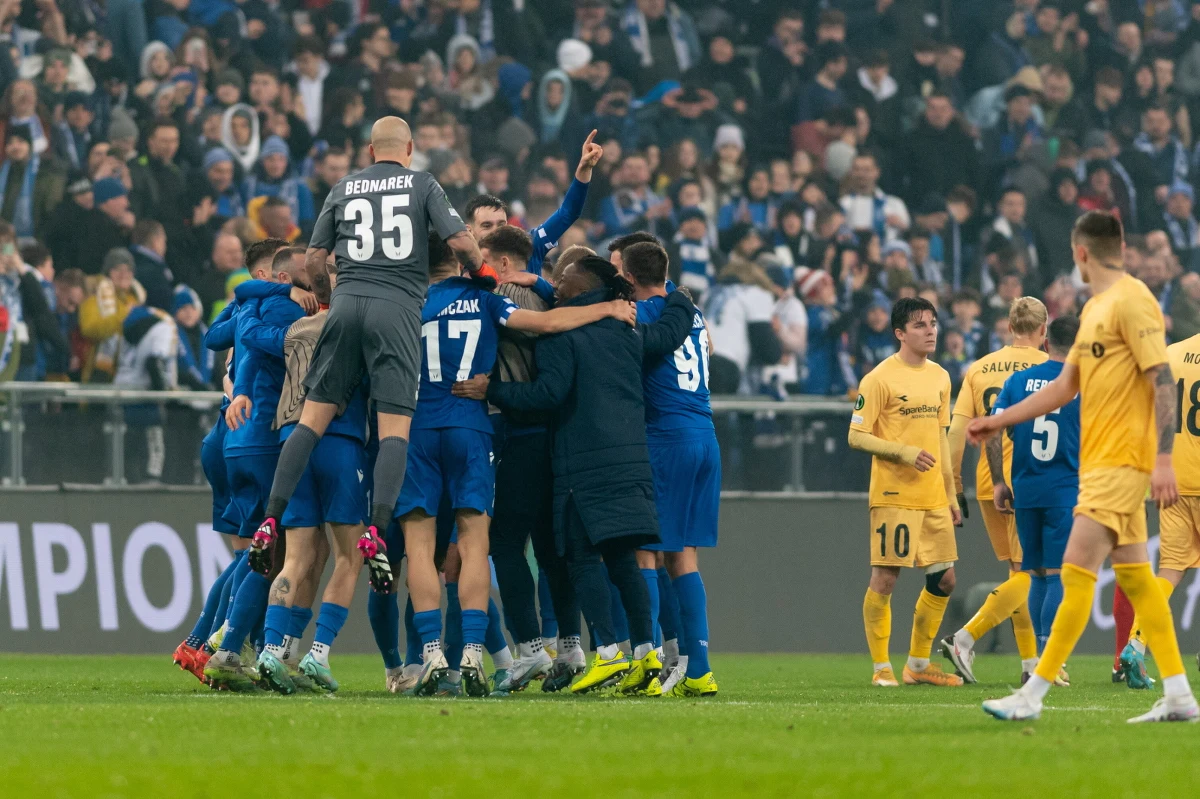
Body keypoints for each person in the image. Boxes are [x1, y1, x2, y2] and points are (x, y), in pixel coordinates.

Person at [971, 211, 1200, 723]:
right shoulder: (1096, 308)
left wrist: (1163, 459)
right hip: (1102, 465)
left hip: (1120, 464)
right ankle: (1181, 695)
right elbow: (1062, 387)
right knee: (1141, 581)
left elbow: (1161, 379)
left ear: (1081, 253)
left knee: (1074, 572)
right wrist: (997, 421)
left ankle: (1032, 694)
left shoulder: (1133, 301)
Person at [250, 117, 491, 598]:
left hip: (347, 303)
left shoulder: (343, 186)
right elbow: (461, 241)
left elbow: (316, 259)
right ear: (409, 148)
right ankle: (377, 531)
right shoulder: (421, 183)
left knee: (311, 420)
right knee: (393, 429)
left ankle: (269, 519)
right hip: (397, 309)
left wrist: (324, 300)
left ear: (369, 149)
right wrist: (482, 272)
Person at [398, 233, 636, 697]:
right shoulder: (485, 300)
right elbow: (546, 325)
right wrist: (605, 308)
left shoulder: (407, 305)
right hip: (472, 430)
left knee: (421, 545)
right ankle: (471, 655)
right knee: (475, 541)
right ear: (460, 261)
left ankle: (430, 656)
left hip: (417, 429)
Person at [473, 255, 696, 696]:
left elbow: (547, 393)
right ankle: (645, 654)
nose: (556, 283)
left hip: (584, 462)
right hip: (632, 460)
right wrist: (681, 298)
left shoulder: (565, 335)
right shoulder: (627, 329)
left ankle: (608, 654)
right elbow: (670, 333)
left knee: (580, 557)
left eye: (563, 277)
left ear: (582, 284)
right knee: (622, 558)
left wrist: (491, 389)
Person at [240, 254, 367, 695]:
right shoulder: (359, 329)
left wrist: (276, 291)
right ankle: (319, 654)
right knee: (349, 555)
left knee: (294, 557)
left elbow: (248, 331)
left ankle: (272, 650)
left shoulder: (294, 330)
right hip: (339, 440)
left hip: (290, 444)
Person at [203, 246, 311, 690]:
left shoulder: (247, 303)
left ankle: (221, 642)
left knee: (256, 551)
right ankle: (232, 645)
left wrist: (254, 293)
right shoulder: (286, 306)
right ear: (283, 277)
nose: (314, 277)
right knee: (276, 552)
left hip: (232, 438)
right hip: (266, 437)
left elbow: (215, 338)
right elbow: (276, 342)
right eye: (305, 272)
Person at [849, 296, 963, 688]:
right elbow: (856, 435)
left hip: (933, 497)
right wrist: (904, 452)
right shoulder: (879, 378)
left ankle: (918, 665)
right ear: (900, 333)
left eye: (932, 323)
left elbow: (942, 439)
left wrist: (951, 495)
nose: (930, 330)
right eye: (919, 325)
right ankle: (882, 667)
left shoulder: (941, 377)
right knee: (886, 577)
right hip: (895, 493)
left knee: (945, 579)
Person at [625, 240, 720, 697]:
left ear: (629, 276)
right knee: (684, 556)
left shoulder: (645, 316)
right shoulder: (694, 315)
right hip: (705, 434)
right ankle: (697, 666)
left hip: (666, 438)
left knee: (645, 551)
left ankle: (650, 659)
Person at [942, 297, 1050, 684]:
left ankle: (1029, 665)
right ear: (1043, 329)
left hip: (989, 483)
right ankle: (964, 638)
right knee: (1030, 574)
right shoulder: (1049, 368)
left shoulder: (979, 368)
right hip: (1029, 480)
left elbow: (957, 432)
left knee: (1017, 571)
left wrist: (954, 484)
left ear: (1009, 326)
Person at [983, 314, 1081, 686]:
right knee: (1056, 574)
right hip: (1063, 489)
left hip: (1024, 487)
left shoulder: (1018, 381)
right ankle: (1048, 662)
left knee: (1036, 573)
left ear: (1045, 342)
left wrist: (997, 481)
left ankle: (1036, 663)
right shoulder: (1081, 383)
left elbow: (993, 429)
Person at [463, 129, 603, 276]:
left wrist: (584, 170)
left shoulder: (529, 247)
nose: (496, 231)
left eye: (501, 225)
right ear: (470, 230)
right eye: (487, 225)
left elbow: (568, 212)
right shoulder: (458, 266)